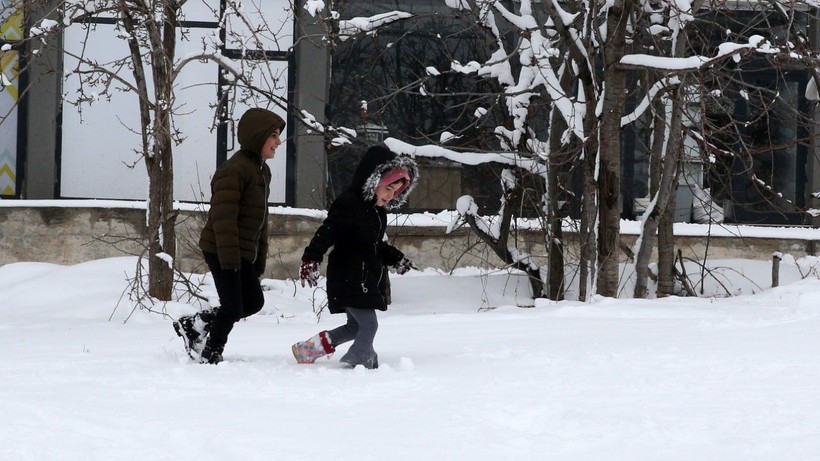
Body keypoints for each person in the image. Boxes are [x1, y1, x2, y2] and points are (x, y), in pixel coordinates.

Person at [173, 107, 285, 364]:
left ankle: (195, 324)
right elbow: (224, 220)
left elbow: (261, 222)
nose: (278, 142)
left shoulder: (261, 171)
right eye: (274, 136)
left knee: (253, 302)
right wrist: (231, 261)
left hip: (242, 250)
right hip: (222, 247)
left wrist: (258, 259)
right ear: (258, 136)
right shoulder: (234, 170)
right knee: (233, 305)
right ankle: (210, 350)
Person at [292, 145, 419, 369]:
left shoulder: (376, 212)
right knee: (369, 325)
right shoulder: (349, 204)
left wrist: (395, 258)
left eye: (396, 191)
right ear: (373, 181)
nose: (391, 196)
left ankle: (307, 349)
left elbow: (375, 245)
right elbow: (328, 231)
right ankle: (362, 357)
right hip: (349, 276)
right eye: (388, 188)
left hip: (361, 276)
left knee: (355, 327)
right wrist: (311, 258)